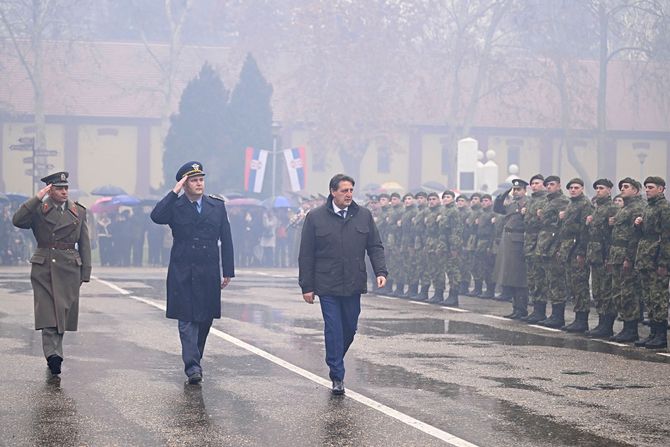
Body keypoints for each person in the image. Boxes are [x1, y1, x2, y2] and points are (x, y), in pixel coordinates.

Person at [298, 174, 387, 395]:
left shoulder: (363, 216)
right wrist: (306, 287)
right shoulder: (315, 217)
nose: (349, 195)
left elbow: (375, 246)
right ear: (333, 191)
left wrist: (380, 271)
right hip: (327, 283)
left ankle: (335, 356)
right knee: (333, 328)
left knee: (350, 328)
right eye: (344, 190)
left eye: (351, 190)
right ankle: (337, 375)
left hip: (353, 283)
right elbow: (306, 255)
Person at [150, 161, 235, 384]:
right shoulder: (175, 206)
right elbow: (156, 216)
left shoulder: (217, 206)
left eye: (201, 179)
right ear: (185, 183)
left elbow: (226, 238)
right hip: (183, 268)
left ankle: (195, 358)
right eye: (193, 180)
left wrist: (227, 270)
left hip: (208, 269)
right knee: (187, 319)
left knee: (205, 319)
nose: (199, 183)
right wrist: (174, 191)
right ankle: (192, 366)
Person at [12, 171, 92, 376]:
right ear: (50, 190)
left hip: (69, 266)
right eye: (59, 188)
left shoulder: (78, 211)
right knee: (48, 312)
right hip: (44, 265)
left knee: (62, 313)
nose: (64, 192)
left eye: (66, 188)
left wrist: (86, 271)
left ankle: (56, 350)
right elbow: (17, 220)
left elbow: (85, 243)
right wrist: (37, 197)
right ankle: (53, 355)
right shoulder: (38, 209)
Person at [633, 176, 669, 349]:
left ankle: (661, 335)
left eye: (651, 187)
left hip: (656, 259)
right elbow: (645, 235)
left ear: (661, 189)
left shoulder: (664, 208)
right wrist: (639, 225)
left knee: (658, 297)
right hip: (646, 258)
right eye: (646, 187)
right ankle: (653, 333)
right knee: (648, 297)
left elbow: (666, 237)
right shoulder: (649, 207)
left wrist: (663, 262)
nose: (647, 190)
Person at [494, 179, 529, 319]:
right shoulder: (512, 204)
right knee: (511, 277)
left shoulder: (528, 203)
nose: (516, 192)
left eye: (518, 189)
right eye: (514, 189)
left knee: (519, 278)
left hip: (519, 243)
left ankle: (522, 309)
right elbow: (497, 208)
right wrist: (504, 194)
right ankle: (516, 308)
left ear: (525, 190)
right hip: (508, 242)